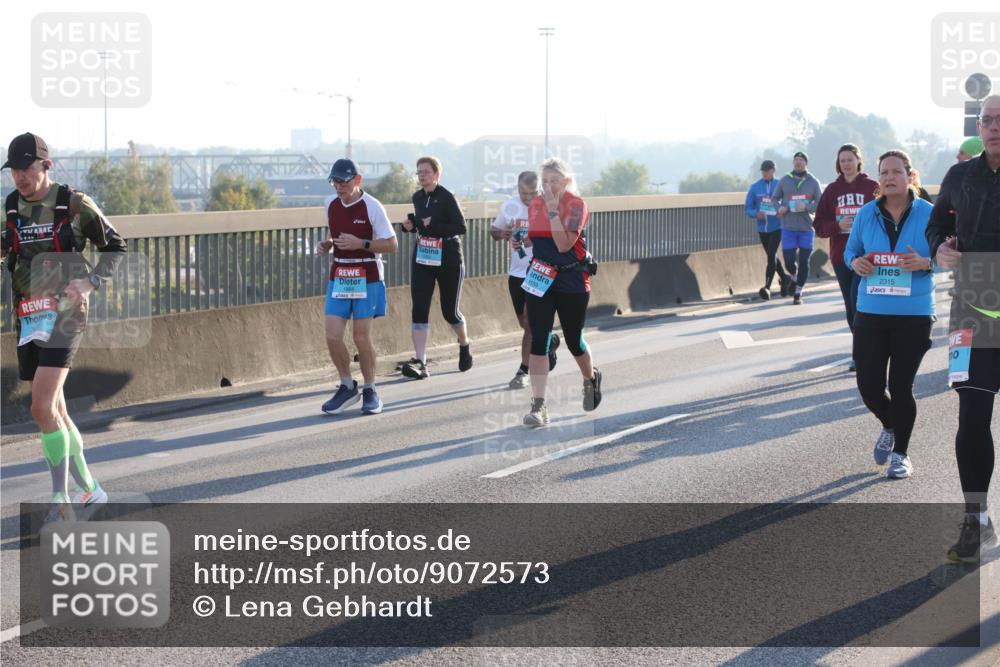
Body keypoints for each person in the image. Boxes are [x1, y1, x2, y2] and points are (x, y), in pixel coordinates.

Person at [1, 132, 126, 522]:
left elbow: (116, 246)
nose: (19, 177)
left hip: (67, 314)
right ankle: (91, 489)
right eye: (14, 170)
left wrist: (89, 283)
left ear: (46, 166)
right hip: (30, 315)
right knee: (54, 409)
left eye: (26, 168)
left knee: (40, 405)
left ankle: (61, 498)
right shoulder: (10, 206)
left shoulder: (73, 203)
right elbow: (9, 246)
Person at [927, 94, 1000, 562]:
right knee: (972, 417)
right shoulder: (960, 175)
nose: (995, 127)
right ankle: (975, 518)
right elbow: (934, 225)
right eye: (989, 120)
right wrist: (939, 250)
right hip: (972, 305)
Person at [843, 150, 936, 480]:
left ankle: (901, 454)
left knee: (900, 386)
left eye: (897, 171)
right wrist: (856, 263)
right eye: (884, 172)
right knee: (868, 386)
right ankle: (890, 424)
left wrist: (926, 263)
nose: (890, 177)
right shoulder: (867, 213)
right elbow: (849, 251)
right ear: (879, 178)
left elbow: (949, 254)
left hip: (914, 315)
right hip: (871, 312)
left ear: (910, 176)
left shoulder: (929, 213)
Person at [522, 157, 601, 427]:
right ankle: (539, 406)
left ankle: (590, 378)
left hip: (572, 280)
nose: (548, 186)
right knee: (538, 340)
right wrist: (523, 238)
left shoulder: (577, 205)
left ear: (566, 181)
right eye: (544, 181)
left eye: (554, 181)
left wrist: (554, 209)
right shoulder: (535, 204)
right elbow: (538, 235)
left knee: (574, 341)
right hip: (541, 277)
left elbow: (564, 244)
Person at [317, 159, 398, 415]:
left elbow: (392, 244)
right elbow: (336, 233)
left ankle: (371, 389)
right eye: (335, 182)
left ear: (357, 180)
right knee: (332, 335)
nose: (339, 187)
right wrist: (328, 244)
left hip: (368, 274)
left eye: (344, 182)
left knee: (360, 336)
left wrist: (360, 243)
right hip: (340, 273)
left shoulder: (373, 206)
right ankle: (346, 385)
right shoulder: (329, 203)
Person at [399, 157, 472, 379]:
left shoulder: (447, 197)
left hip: (448, 257)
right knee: (419, 307)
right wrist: (410, 227)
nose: (422, 176)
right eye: (419, 172)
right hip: (424, 256)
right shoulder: (417, 197)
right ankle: (421, 362)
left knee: (450, 312)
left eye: (426, 172)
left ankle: (464, 344)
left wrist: (434, 225)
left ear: (436, 174)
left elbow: (461, 227)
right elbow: (422, 225)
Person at [490, 171, 559, 389]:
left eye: (532, 192)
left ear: (539, 189)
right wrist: (502, 234)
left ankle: (523, 370)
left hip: (539, 271)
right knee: (524, 323)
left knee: (530, 323)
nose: (527, 197)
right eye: (522, 192)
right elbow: (494, 230)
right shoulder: (510, 206)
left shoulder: (548, 207)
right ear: (517, 188)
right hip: (517, 272)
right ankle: (548, 343)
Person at [813, 144, 878, 371]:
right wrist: (837, 225)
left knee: (858, 302)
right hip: (841, 256)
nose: (846, 164)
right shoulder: (831, 191)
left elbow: (888, 216)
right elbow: (819, 225)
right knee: (851, 307)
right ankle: (861, 352)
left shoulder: (873, 187)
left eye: (850, 160)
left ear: (859, 161)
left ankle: (862, 354)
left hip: (868, 257)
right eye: (842, 161)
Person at [773, 151, 822, 304]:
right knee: (788, 261)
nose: (798, 162)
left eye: (801, 160)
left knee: (804, 261)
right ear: (793, 162)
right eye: (796, 159)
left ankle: (798, 292)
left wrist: (806, 206)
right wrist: (779, 208)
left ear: (806, 163)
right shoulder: (785, 180)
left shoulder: (813, 182)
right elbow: (775, 197)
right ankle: (793, 278)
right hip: (788, 226)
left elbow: (819, 204)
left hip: (806, 228)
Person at [744, 160, 790, 300]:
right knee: (772, 256)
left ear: (773, 170)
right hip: (762, 228)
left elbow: (787, 202)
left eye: (767, 170)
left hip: (777, 226)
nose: (764, 173)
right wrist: (755, 214)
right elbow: (748, 207)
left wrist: (782, 211)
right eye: (763, 170)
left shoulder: (781, 184)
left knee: (771, 255)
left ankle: (767, 287)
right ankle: (785, 278)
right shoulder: (755, 187)